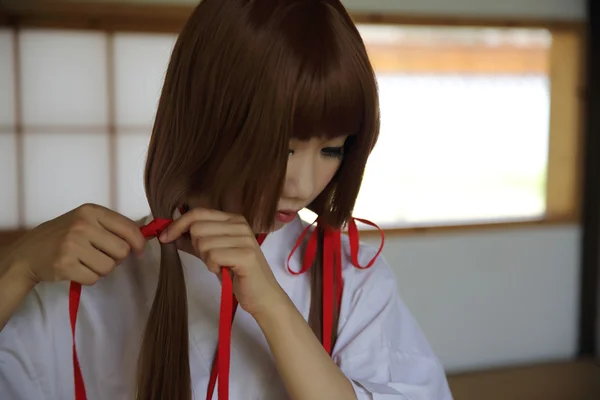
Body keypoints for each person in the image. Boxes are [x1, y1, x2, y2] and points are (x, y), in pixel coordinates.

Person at [0, 0, 453, 399]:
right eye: (285, 147)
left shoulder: (349, 275)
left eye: (332, 149)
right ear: (210, 119)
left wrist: (273, 307)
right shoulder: (98, 276)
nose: (302, 183)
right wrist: (17, 268)